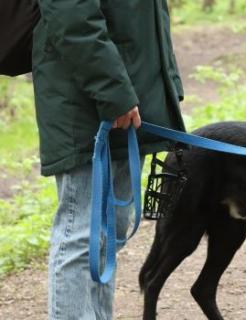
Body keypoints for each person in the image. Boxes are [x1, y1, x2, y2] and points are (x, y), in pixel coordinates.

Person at [32, 0, 185, 319]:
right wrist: (113, 92)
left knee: (110, 230)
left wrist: (166, 84)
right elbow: (72, 17)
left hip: (130, 100)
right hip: (86, 103)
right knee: (82, 232)